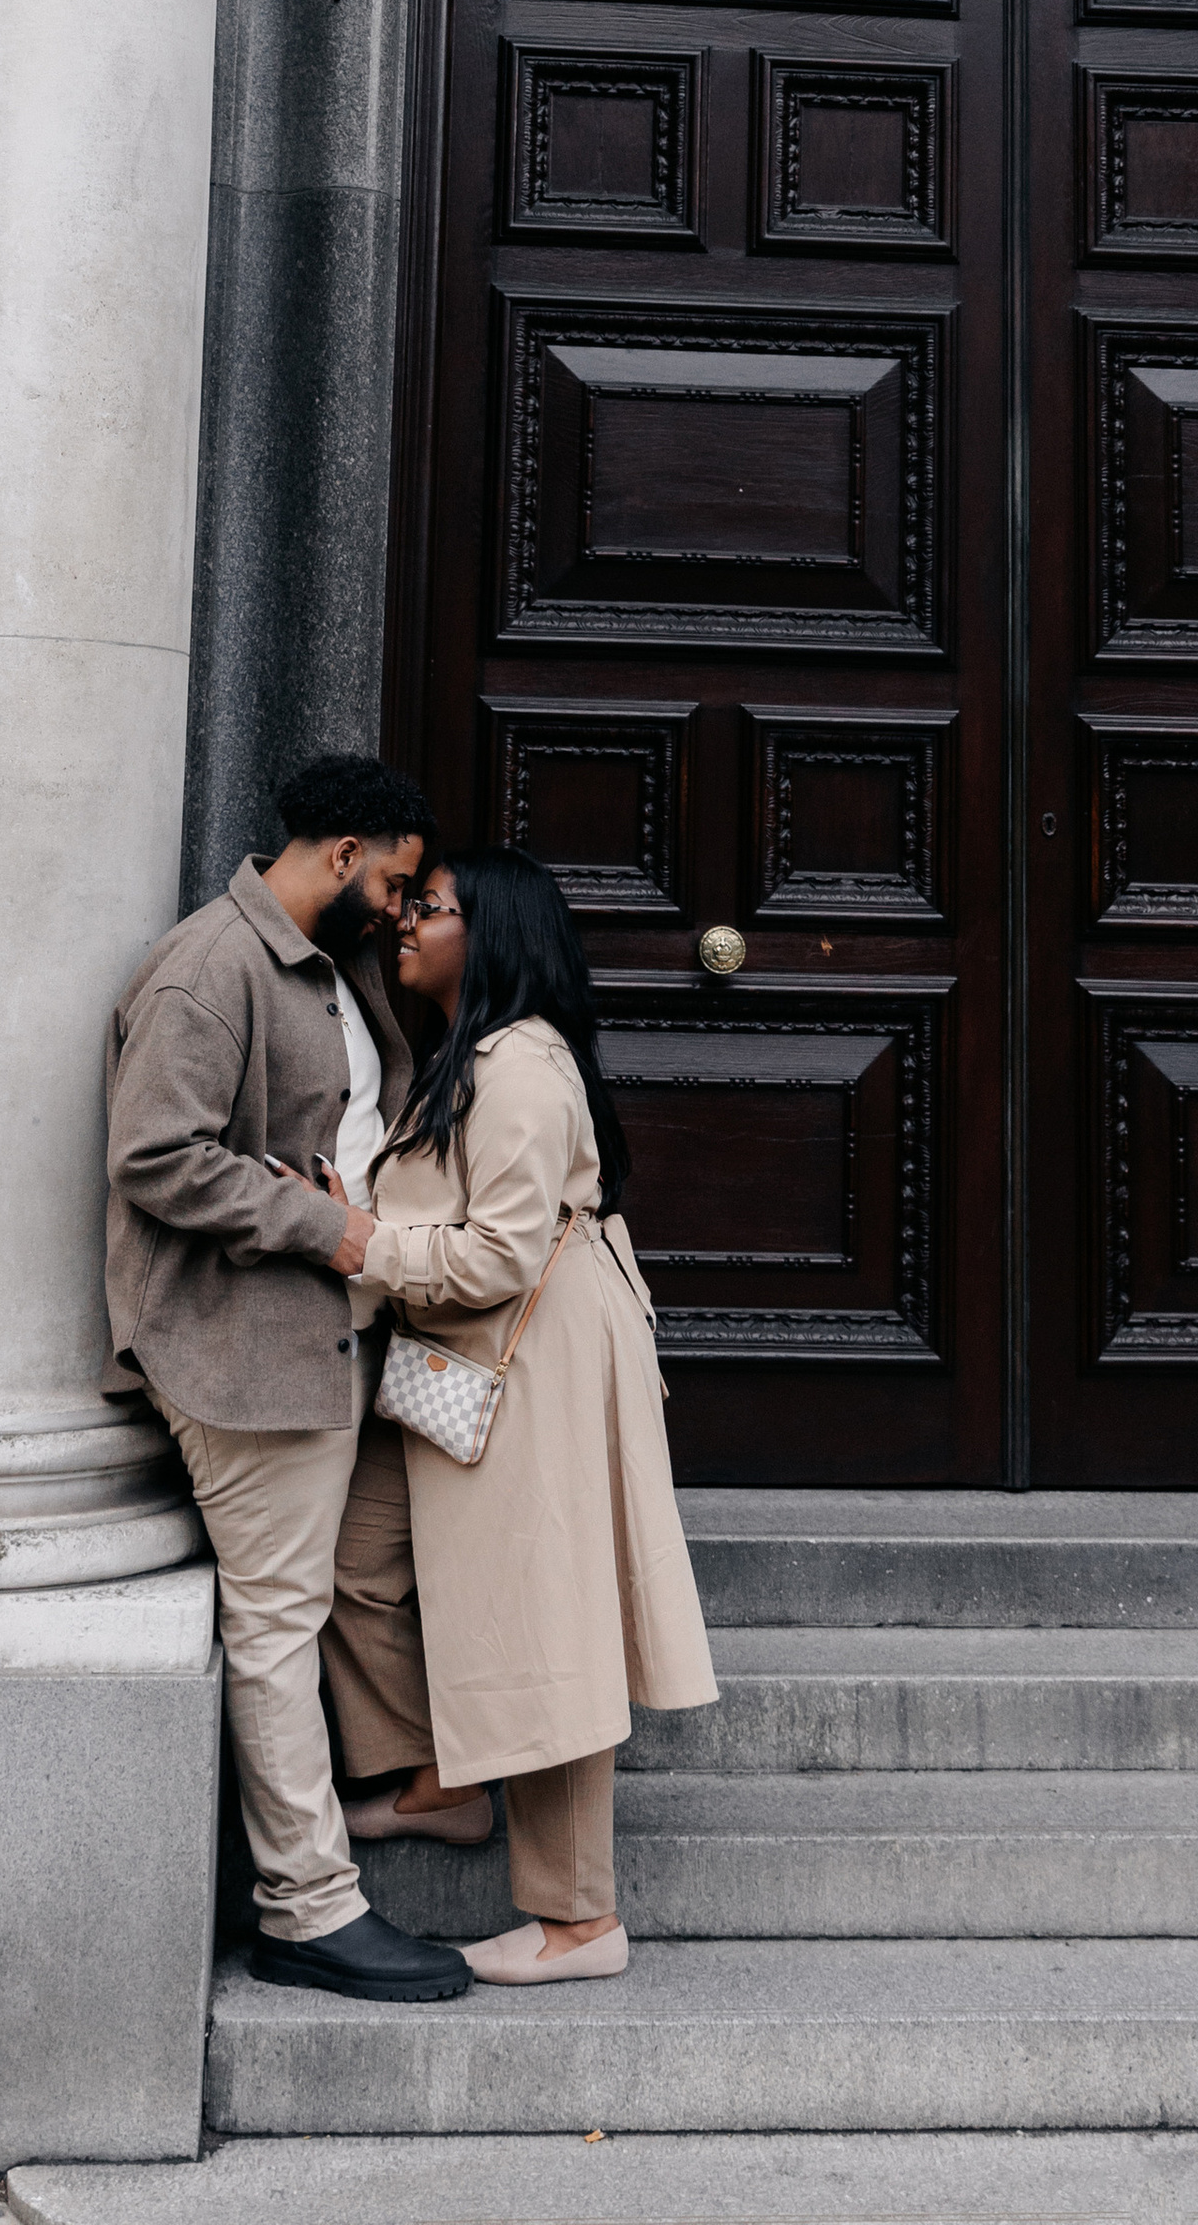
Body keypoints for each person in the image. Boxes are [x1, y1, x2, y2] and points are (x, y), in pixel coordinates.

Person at [102, 753, 474, 2004]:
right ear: (340, 855)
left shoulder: (336, 969)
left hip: (331, 1342)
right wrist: (325, 1230)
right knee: (275, 1629)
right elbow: (157, 1158)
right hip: (244, 1356)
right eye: (398, 881)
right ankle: (309, 1908)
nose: (404, 906)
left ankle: (402, 1808)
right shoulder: (209, 970)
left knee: (327, 1597)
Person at [318, 844, 719, 1986]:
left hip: (526, 1362)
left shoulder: (523, 1068)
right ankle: (445, 1780)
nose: (404, 923)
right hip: (458, 1365)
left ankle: (578, 1919)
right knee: (355, 1563)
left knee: (547, 1630)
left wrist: (358, 1239)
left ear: (487, 935)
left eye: (429, 909)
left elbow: (496, 1255)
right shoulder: (468, 1057)